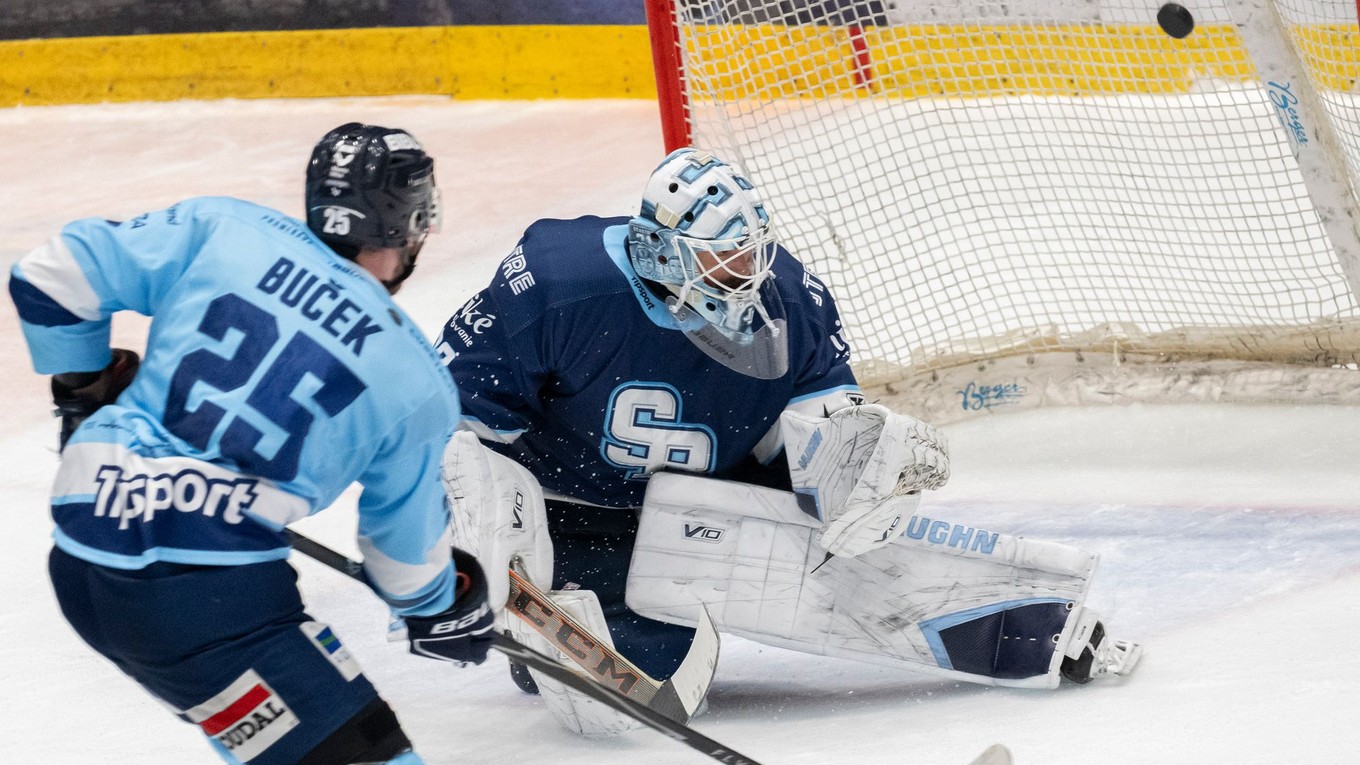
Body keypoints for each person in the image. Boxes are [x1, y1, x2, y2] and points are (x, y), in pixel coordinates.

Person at [437, 148, 1141, 737]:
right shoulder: (559, 281)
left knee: (845, 535)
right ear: (660, 251)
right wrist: (488, 545)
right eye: (722, 261)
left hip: (710, 505)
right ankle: (548, 615)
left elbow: (826, 433)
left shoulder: (791, 302)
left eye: (751, 254)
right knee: (646, 702)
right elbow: (453, 422)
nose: (746, 276)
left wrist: (865, 462)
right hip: (567, 511)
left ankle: (1040, 628)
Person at [9, 123, 495, 765]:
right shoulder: (414, 380)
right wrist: (444, 607)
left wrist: (83, 390)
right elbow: (400, 563)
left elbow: (50, 277)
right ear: (410, 222)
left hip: (84, 556)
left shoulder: (222, 228)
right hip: (206, 614)